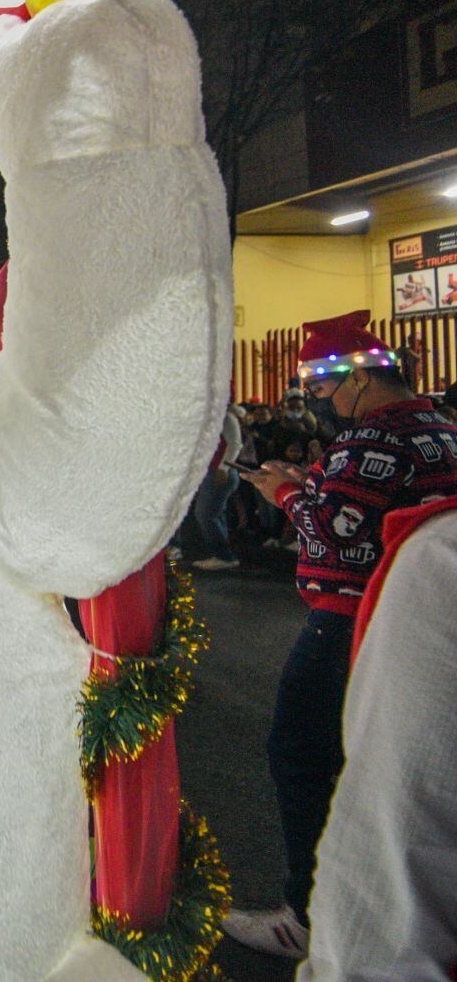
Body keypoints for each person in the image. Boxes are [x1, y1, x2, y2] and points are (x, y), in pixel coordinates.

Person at [225, 311, 457, 960]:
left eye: (323, 390)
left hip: (347, 621)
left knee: (304, 753)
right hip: (418, 616)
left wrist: (285, 493)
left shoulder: (370, 441)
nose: (318, 404)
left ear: (356, 377)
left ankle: (311, 910)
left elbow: (337, 529)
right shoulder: (439, 424)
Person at [298, 496, 457, 979]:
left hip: (337, 612)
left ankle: (292, 902)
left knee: (299, 757)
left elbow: (384, 906)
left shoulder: (443, 556)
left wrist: (288, 496)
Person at [191, 403, 247, 571]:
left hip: (219, 472)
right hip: (215, 470)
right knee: (215, 513)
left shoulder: (226, 417)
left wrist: (223, 468)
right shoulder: (214, 418)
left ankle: (223, 555)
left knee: (205, 514)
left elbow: (235, 444)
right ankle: (223, 553)